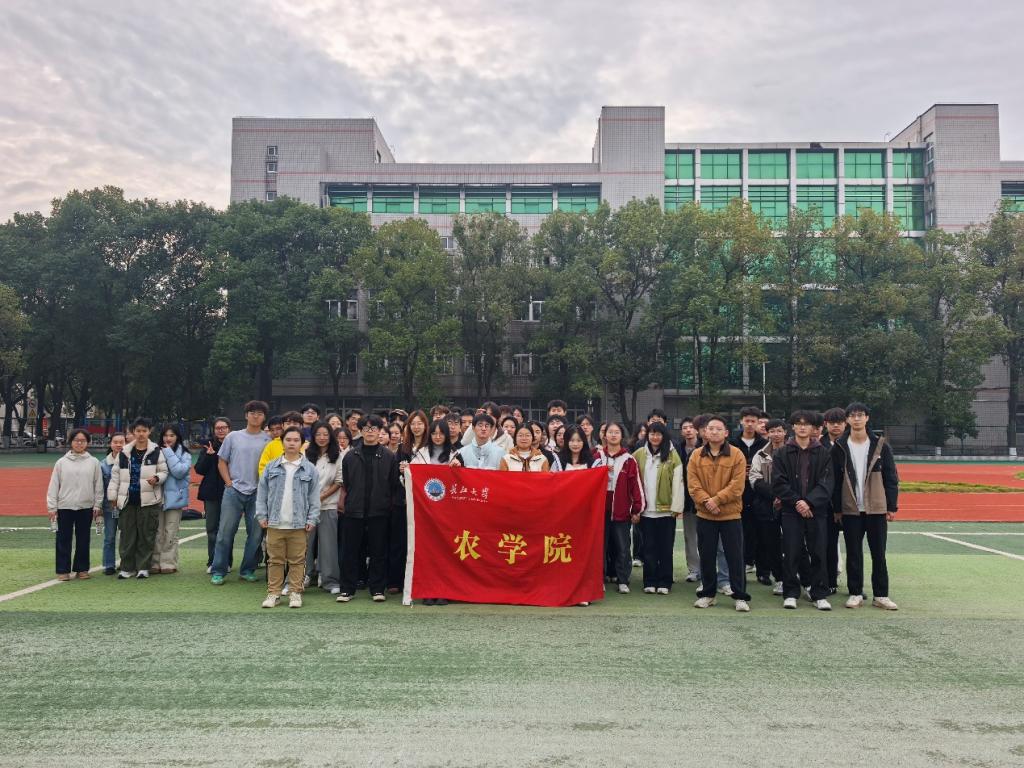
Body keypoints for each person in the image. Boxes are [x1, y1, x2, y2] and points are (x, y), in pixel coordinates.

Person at [832, 403, 900, 610]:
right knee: (853, 553)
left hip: (876, 508)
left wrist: (891, 506)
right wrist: (837, 508)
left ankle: (881, 595)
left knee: (879, 553)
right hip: (851, 508)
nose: (857, 419)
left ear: (867, 418)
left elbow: (891, 477)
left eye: (860, 415)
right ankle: (855, 593)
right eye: (852, 415)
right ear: (847, 420)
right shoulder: (839, 446)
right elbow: (835, 480)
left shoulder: (881, 445)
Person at [772, 410, 835, 611]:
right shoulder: (782, 452)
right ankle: (791, 593)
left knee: (818, 552)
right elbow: (778, 482)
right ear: (792, 427)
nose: (802, 427)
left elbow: (827, 483)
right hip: (791, 511)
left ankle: (820, 594)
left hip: (816, 511)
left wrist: (809, 502)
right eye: (798, 423)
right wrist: (797, 502)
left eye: (806, 424)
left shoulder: (823, 453)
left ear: (813, 428)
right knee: (792, 552)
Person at [337, 415, 403, 603]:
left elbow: (393, 484)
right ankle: (347, 589)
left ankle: (377, 588)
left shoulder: (388, 456)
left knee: (378, 552)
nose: (370, 431)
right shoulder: (350, 456)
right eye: (366, 428)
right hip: (354, 510)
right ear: (360, 431)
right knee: (350, 552)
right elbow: (347, 483)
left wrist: (386, 504)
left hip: (379, 512)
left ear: (380, 431)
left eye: (374, 428)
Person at [688, 415, 752, 611]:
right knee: (706, 556)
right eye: (711, 428)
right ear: (705, 432)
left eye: (718, 429)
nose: (714, 432)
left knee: (735, 557)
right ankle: (708, 594)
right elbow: (693, 484)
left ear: (726, 433)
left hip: (730, 515)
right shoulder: (696, 455)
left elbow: (737, 485)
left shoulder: (737, 454)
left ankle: (740, 596)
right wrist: (707, 502)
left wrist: (716, 500)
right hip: (705, 515)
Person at [257, 426, 321, 608]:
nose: (292, 443)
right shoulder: (271, 467)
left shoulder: (310, 469)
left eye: (296, 440)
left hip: (299, 524)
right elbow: (261, 494)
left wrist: (312, 519)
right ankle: (274, 593)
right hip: (274, 523)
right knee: (274, 561)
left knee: (297, 561)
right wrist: (261, 515)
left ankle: (295, 593)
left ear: (302, 443)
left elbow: (314, 497)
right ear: (282, 442)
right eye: (288, 440)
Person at [210, 401, 271, 585]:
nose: (255, 416)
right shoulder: (233, 437)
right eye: (252, 412)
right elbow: (222, 461)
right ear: (246, 415)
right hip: (234, 491)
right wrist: (229, 483)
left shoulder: (268, 440)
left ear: (264, 417)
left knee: (255, 535)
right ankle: (219, 570)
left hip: (258, 493)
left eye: (260, 413)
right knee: (225, 532)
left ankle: (247, 569)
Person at [108, 418, 169, 580]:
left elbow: (164, 471)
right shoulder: (124, 452)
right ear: (133, 432)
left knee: (146, 535)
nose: (141, 434)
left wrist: (157, 478)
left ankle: (143, 567)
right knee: (127, 536)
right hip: (127, 500)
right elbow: (115, 476)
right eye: (138, 431)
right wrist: (112, 496)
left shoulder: (156, 451)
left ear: (149, 431)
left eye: (144, 431)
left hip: (149, 501)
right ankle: (126, 568)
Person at [632, 422, 683, 595]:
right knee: (648, 548)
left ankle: (665, 581)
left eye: (658, 434)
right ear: (647, 435)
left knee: (666, 548)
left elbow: (678, 482)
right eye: (652, 434)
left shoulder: (672, 454)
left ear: (664, 436)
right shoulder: (639, 454)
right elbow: (632, 482)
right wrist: (635, 508)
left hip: (666, 510)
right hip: (646, 511)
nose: (655, 437)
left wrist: (677, 507)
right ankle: (649, 581)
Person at [46, 428, 103, 581]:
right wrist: (52, 507)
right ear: (71, 442)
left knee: (83, 539)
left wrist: (97, 505)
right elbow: (53, 485)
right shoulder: (61, 463)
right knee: (63, 539)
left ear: (87, 443)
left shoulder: (94, 462)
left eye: (83, 441)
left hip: (86, 507)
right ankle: (62, 570)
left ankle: (82, 569)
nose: (79, 443)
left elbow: (98, 485)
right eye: (76, 440)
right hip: (65, 506)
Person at [597, 422, 645, 593]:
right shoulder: (596, 456)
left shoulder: (629, 459)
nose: (613, 435)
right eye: (610, 432)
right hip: (599, 510)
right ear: (605, 435)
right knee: (599, 547)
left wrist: (637, 509)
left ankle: (623, 579)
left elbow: (635, 486)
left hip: (621, 510)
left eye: (617, 432)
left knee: (623, 547)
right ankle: (598, 579)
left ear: (622, 436)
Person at [748, 418, 787, 592]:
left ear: (785, 432)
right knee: (771, 544)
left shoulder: (793, 450)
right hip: (767, 505)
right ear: (767, 433)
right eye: (772, 431)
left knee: (795, 544)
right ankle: (780, 578)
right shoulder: (761, 454)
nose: (776, 434)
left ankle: (799, 577)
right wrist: (774, 495)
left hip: (791, 504)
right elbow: (754, 478)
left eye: (779, 431)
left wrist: (785, 496)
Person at [305, 421, 344, 596]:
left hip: (329, 505)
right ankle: (302, 576)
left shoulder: (337, 455)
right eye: (318, 434)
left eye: (325, 434)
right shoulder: (306, 454)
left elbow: (339, 481)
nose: (322, 438)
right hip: (307, 507)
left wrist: (321, 496)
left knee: (328, 546)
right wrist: (311, 498)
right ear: (313, 436)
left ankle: (330, 580)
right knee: (304, 544)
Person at [730, 406, 768, 575]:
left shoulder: (764, 445)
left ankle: (763, 570)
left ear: (758, 422)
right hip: (738, 493)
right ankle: (744, 562)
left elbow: (768, 465)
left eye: (754, 421)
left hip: (759, 493)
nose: (750, 424)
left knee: (761, 531)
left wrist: (754, 471)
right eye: (747, 421)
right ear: (741, 421)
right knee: (740, 530)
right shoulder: (732, 443)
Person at [154, 423, 191, 574]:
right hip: (156, 497)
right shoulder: (155, 451)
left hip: (175, 499)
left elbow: (179, 472)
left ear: (177, 437)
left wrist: (168, 452)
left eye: (172, 435)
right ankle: (155, 562)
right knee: (156, 531)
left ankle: (168, 562)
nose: (168, 438)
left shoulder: (185, 454)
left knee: (171, 531)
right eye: (165, 435)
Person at [196, 418, 230, 574]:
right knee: (212, 529)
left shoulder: (234, 444)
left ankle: (226, 562)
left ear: (229, 429)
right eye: (218, 428)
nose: (221, 430)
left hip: (230, 492)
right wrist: (209, 456)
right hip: (211, 494)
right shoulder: (208, 446)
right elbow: (199, 470)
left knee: (227, 530)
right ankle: (213, 561)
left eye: (224, 427)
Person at [821, 406, 848, 593]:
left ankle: (855, 587)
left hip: (849, 502)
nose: (836, 426)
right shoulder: (818, 445)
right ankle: (829, 581)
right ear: (826, 424)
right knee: (827, 544)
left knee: (853, 547)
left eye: (839, 422)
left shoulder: (851, 444)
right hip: (825, 503)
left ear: (845, 424)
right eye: (832, 422)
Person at [677, 416, 701, 583]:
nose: (688, 430)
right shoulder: (677, 449)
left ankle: (708, 569)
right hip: (685, 500)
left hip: (703, 499)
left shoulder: (704, 448)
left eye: (691, 427)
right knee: (689, 536)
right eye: (685, 428)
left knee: (707, 536)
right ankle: (693, 569)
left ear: (697, 430)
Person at [99, 433, 126, 575]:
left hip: (126, 506)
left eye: (122, 442)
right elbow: (99, 488)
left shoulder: (130, 461)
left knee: (126, 536)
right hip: (110, 507)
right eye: (115, 442)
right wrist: (98, 506)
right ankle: (109, 565)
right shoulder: (103, 465)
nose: (119, 445)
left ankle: (126, 563)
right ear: (111, 444)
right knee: (109, 537)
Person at [258, 411, 304, 478]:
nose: (291, 426)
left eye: (295, 423)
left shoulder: (307, 446)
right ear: (283, 426)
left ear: (301, 426)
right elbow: (263, 467)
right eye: (288, 423)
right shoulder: (271, 445)